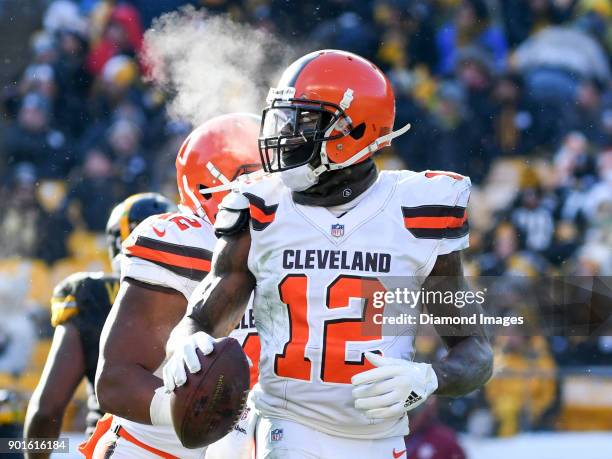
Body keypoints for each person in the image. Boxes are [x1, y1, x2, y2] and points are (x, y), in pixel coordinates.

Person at [163, 50, 493, 459]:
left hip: (380, 440)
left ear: (355, 131)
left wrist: (430, 377)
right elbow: (202, 318)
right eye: (283, 118)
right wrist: (183, 343)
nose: (284, 135)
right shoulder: (260, 206)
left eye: (303, 122)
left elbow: (475, 351)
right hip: (288, 426)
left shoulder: (418, 211)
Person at [94, 113, 262, 459]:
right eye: (256, 176)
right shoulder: (184, 240)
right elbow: (116, 379)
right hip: (155, 450)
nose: (274, 188)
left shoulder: (298, 238)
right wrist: (189, 414)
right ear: (208, 185)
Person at [23, 192, 176, 459]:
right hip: (189, 446)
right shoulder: (206, 295)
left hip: (116, 446)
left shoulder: (91, 294)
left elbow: (48, 408)